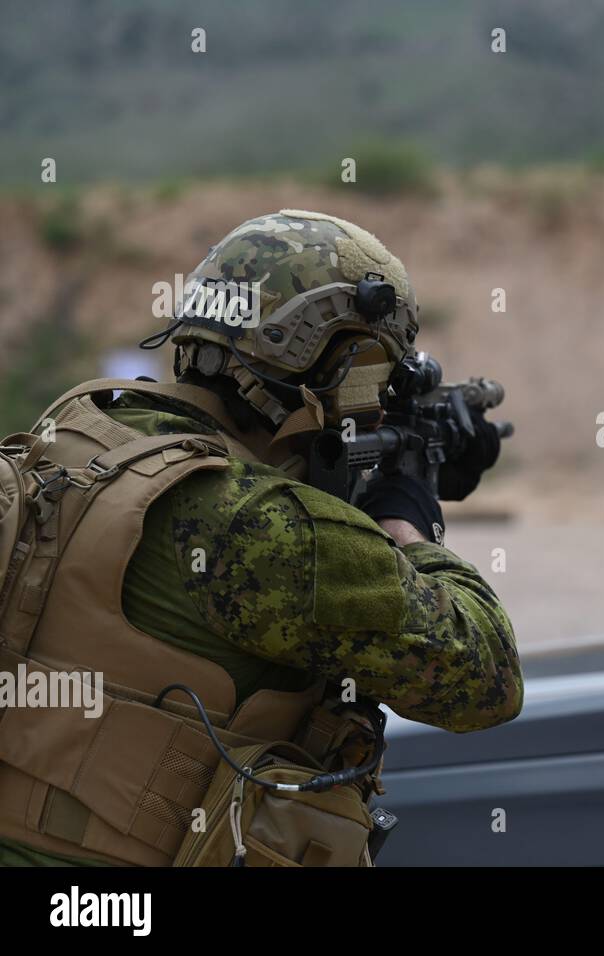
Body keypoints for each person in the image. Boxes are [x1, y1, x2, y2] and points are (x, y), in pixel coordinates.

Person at [0, 210, 522, 866]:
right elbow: (486, 681)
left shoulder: (70, 441)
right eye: (367, 378)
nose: (370, 403)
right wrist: (406, 523)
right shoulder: (265, 532)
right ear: (320, 363)